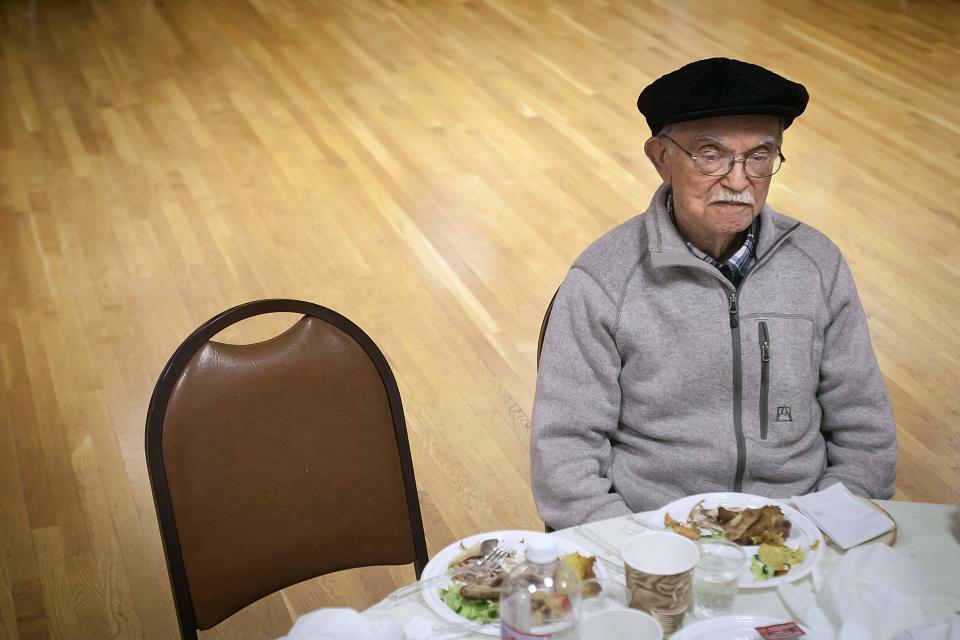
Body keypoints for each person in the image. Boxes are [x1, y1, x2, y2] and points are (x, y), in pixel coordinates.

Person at [531, 58, 898, 530]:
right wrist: (640, 549)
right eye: (710, 154)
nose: (739, 179)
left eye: (761, 156)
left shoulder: (817, 265)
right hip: (654, 534)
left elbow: (864, 429)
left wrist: (822, 529)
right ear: (660, 158)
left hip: (802, 527)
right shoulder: (603, 281)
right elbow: (564, 453)